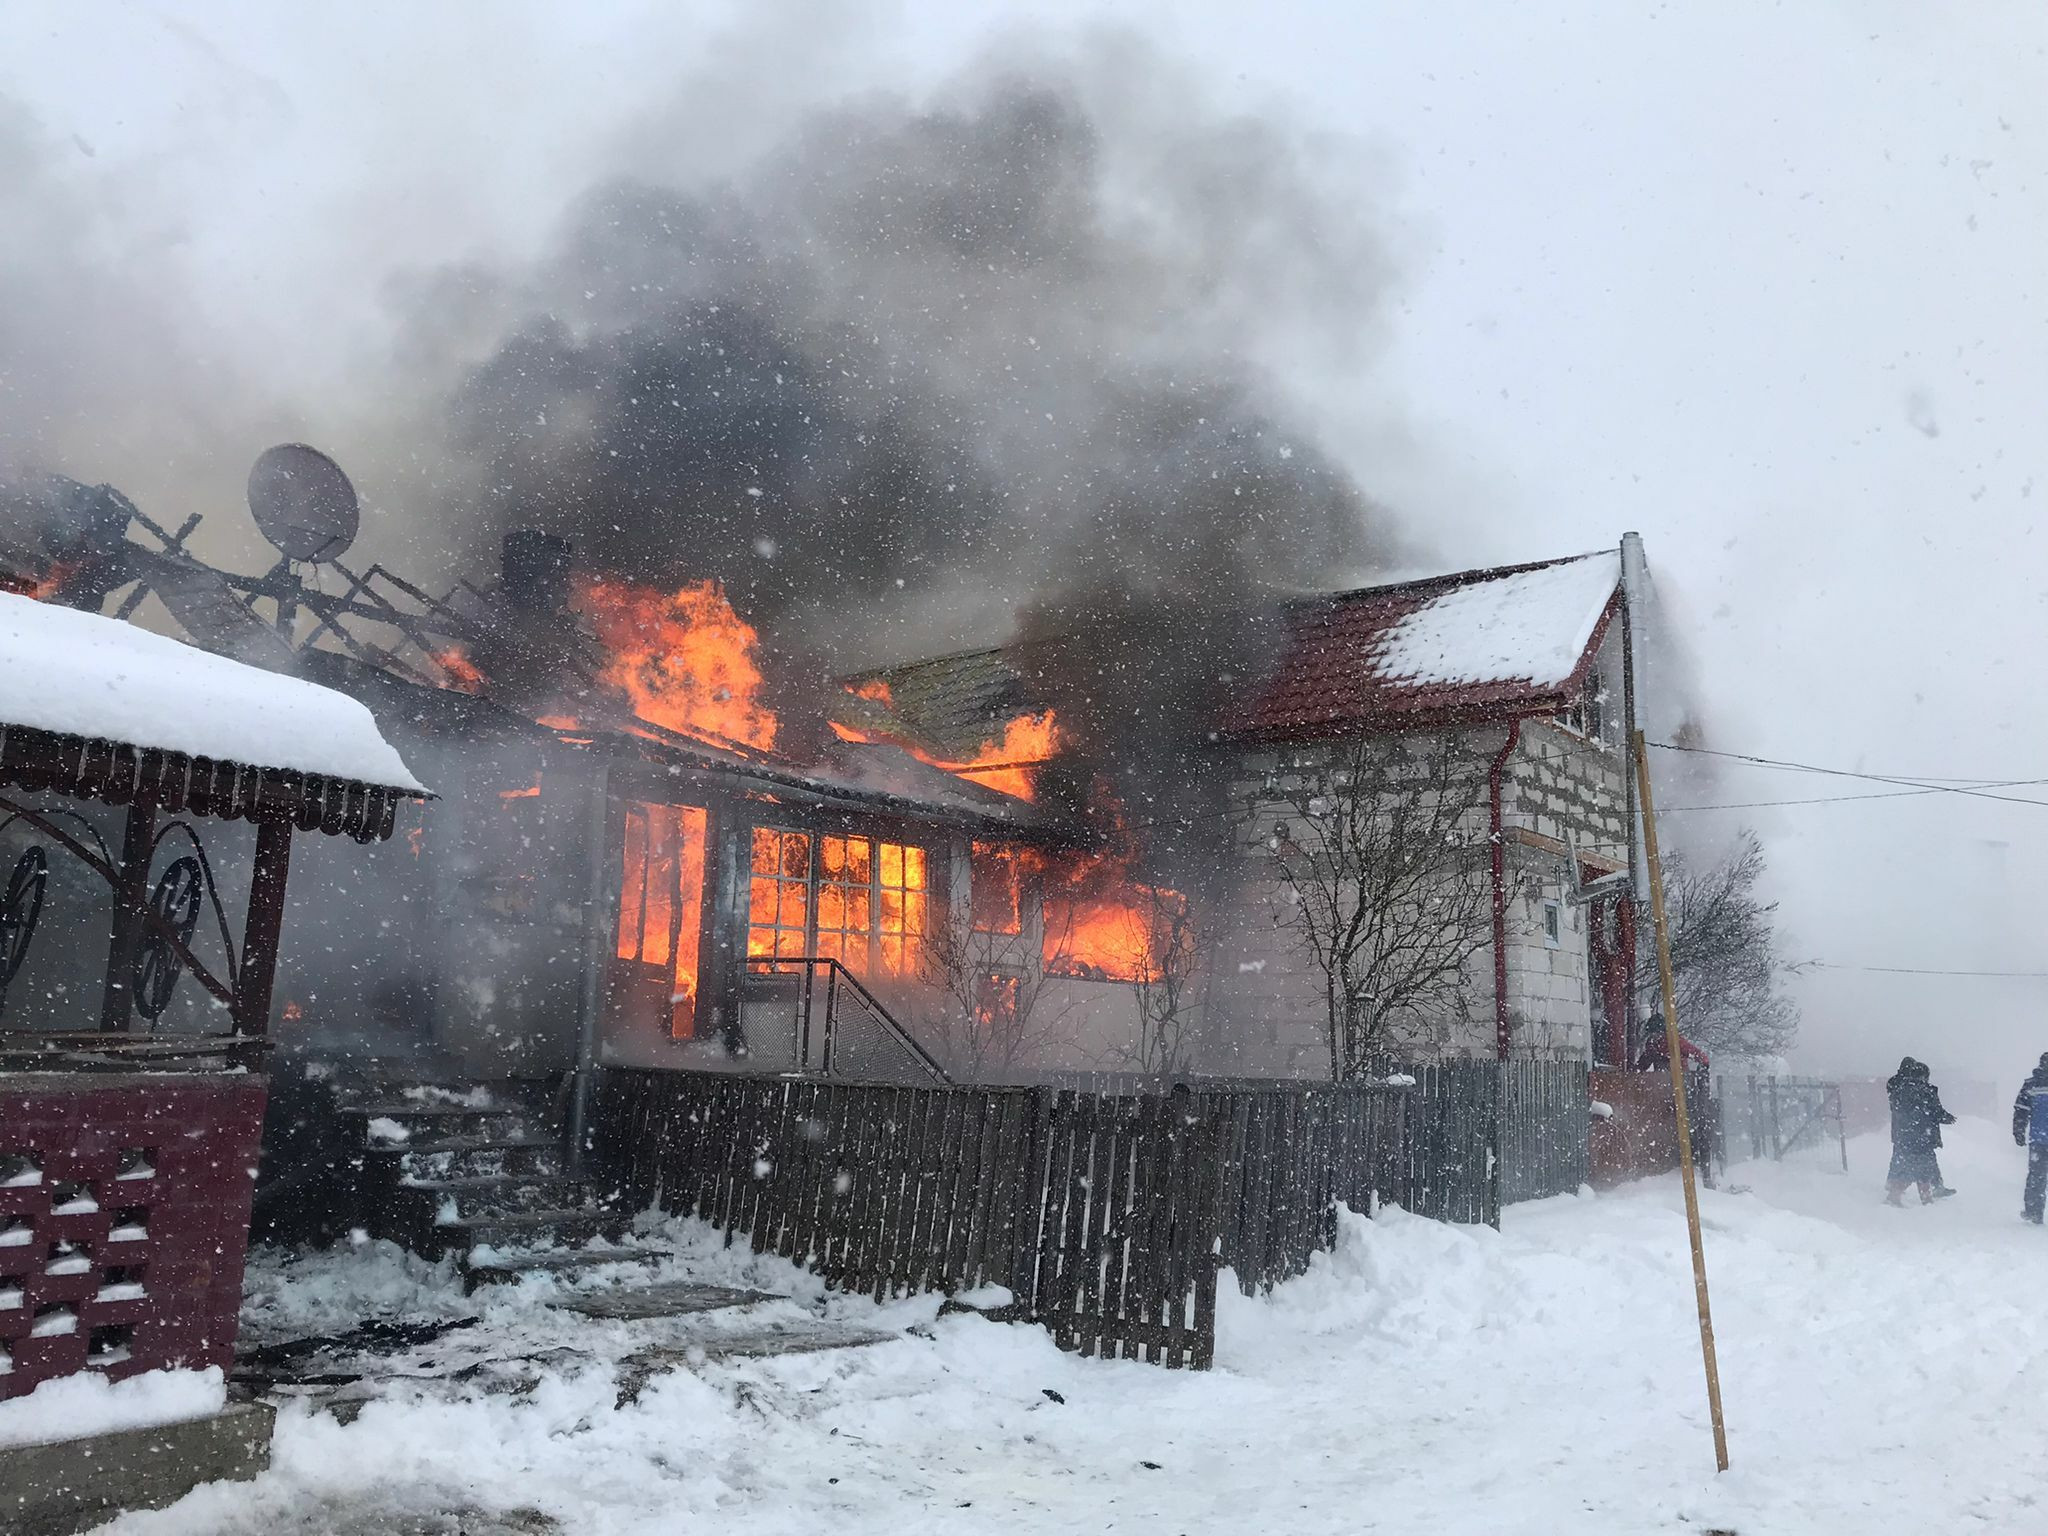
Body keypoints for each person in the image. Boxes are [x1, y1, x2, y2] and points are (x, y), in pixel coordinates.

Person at [1886, 1057, 1957, 1206]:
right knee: (1923, 1169)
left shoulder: (1899, 1089)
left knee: (1906, 1166)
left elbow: (1897, 1109)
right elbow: (1936, 1112)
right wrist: (1948, 1118)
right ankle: (1924, 1199)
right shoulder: (1927, 1091)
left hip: (1904, 1135)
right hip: (1923, 1136)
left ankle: (1896, 1193)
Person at [2011, 1053, 2048, 1224]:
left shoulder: (2031, 1085)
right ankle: (2033, 1211)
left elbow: (2021, 1110)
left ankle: (2033, 1211)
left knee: (2036, 1176)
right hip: (2039, 1139)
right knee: (2036, 1176)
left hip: (2039, 1139)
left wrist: (2018, 1131)